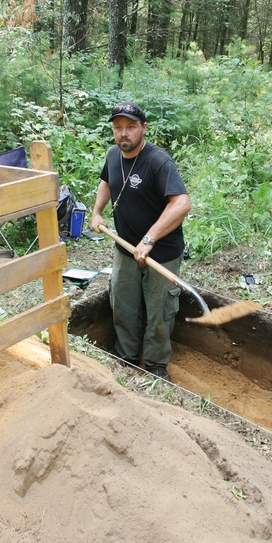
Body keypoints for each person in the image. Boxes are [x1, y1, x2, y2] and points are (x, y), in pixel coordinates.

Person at [89, 102, 191, 381]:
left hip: (161, 253)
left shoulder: (158, 161)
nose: (124, 134)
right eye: (118, 128)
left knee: (160, 313)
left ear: (143, 128)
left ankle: (156, 366)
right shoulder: (112, 155)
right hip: (125, 248)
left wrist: (149, 239)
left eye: (131, 127)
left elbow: (181, 203)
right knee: (123, 305)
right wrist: (97, 212)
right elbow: (107, 182)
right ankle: (127, 359)